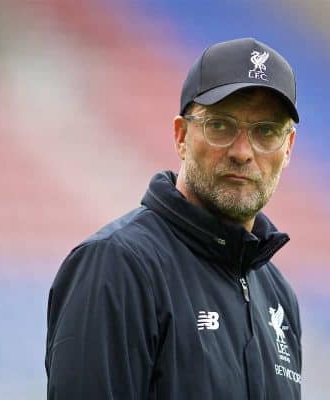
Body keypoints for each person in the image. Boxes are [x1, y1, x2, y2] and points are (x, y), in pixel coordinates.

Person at [46, 37, 302, 399]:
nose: (243, 152)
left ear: (287, 148)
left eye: (266, 132)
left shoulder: (278, 296)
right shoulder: (118, 266)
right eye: (220, 126)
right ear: (181, 136)